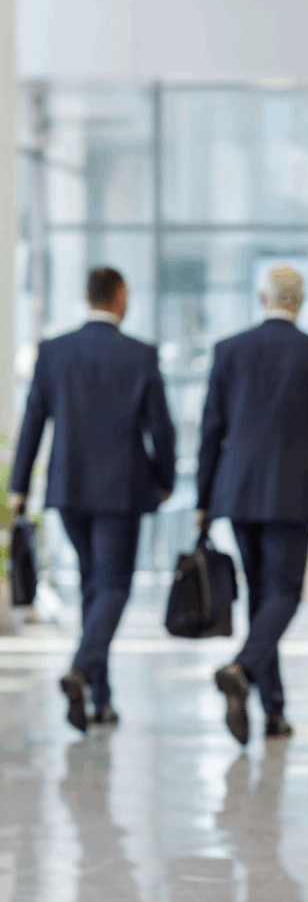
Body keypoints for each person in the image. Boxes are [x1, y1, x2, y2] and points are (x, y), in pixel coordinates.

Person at [196, 263, 308, 745]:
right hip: (293, 495)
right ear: (301, 301)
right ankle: (243, 669)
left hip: (238, 493)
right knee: (285, 594)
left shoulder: (229, 350)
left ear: (261, 298)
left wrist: (204, 500)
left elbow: (211, 430)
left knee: (261, 597)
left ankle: (273, 711)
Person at [8, 266, 176, 731]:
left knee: (92, 586)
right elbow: (161, 428)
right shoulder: (139, 355)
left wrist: (19, 488)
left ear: (87, 297)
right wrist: (165, 480)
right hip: (122, 489)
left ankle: (100, 699)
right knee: (114, 586)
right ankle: (82, 671)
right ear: (119, 296)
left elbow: (33, 421)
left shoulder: (54, 352)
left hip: (69, 488)